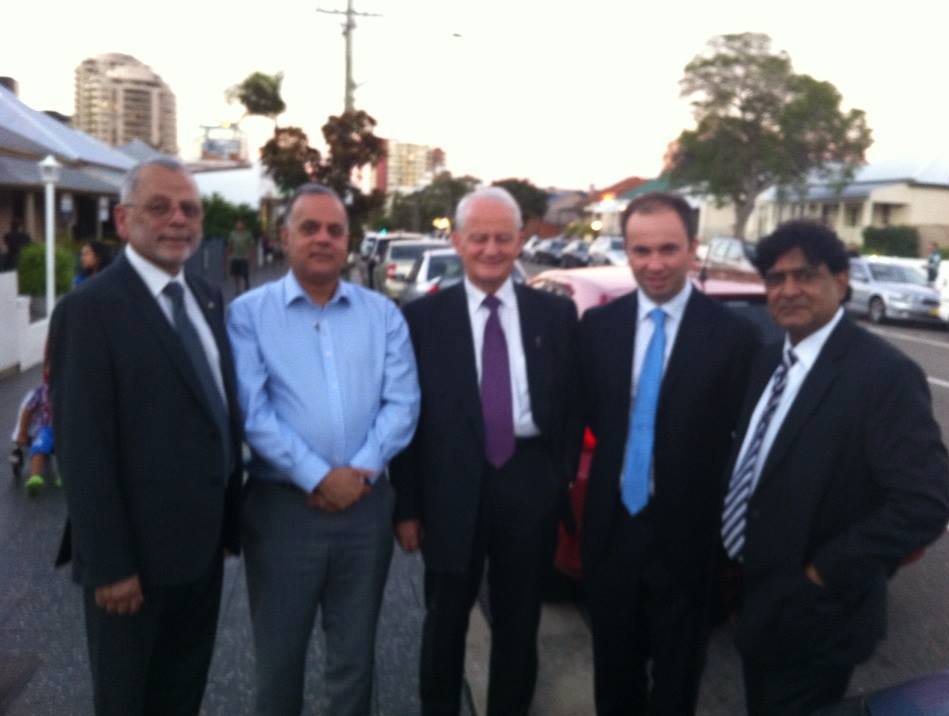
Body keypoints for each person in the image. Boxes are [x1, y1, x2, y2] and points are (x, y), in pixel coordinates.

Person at [723, 219, 949, 716]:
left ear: (841, 280)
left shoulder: (884, 375)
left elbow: (923, 504)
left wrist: (822, 573)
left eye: (805, 275)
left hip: (818, 616)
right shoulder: (767, 361)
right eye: (775, 279)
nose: (788, 290)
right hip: (756, 597)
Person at [48, 157, 244, 716]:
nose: (178, 219)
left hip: (202, 555)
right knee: (127, 702)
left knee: (181, 696)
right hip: (132, 567)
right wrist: (110, 565)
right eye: (159, 207)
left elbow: (213, 412)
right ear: (123, 219)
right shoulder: (89, 311)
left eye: (189, 209)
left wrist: (226, 522)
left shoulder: (206, 297)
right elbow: (82, 450)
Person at [227, 183, 419, 716]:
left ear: (348, 241)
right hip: (282, 512)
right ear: (284, 237)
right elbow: (253, 412)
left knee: (354, 659)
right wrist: (317, 476)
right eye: (309, 228)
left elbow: (403, 402)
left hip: (365, 509)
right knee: (279, 660)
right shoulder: (248, 314)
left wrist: (359, 472)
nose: (323, 238)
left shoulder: (383, 315)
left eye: (335, 230)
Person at [391, 186, 580, 715]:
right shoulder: (423, 319)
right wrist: (407, 507)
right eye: (479, 238)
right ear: (457, 242)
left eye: (502, 238)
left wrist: (559, 476)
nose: (491, 249)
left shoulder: (556, 314)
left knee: (520, 622)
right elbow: (407, 417)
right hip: (451, 485)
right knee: (445, 619)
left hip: (529, 481)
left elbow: (573, 402)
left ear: (520, 241)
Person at [578, 192, 759, 715]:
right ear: (627, 251)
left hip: (689, 535)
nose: (654, 263)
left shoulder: (734, 336)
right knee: (614, 672)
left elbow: (743, 441)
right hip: (613, 528)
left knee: (678, 678)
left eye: (667, 249)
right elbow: (587, 416)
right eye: (641, 250)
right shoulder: (599, 328)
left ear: (692, 248)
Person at [12, 354, 57, 495]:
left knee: (68, 452)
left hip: (63, 428)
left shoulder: (67, 392)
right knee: (38, 449)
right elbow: (27, 410)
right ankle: (35, 476)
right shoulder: (40, 392)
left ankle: (64, 476)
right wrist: (22, 432)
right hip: (45, 429)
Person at [227, 219, 254, 293]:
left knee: (245, 273)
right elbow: (230, 244)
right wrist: (229, 255)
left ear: (243, 226)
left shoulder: (248, 234)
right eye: (237, 224)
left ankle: (247, 285)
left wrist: (250, 255)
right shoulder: (232, 234)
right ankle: (237, 289)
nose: (239, 226)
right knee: (236, 274)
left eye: (240, 224)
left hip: (244, 257)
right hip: (235, 256)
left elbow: (251, 245)